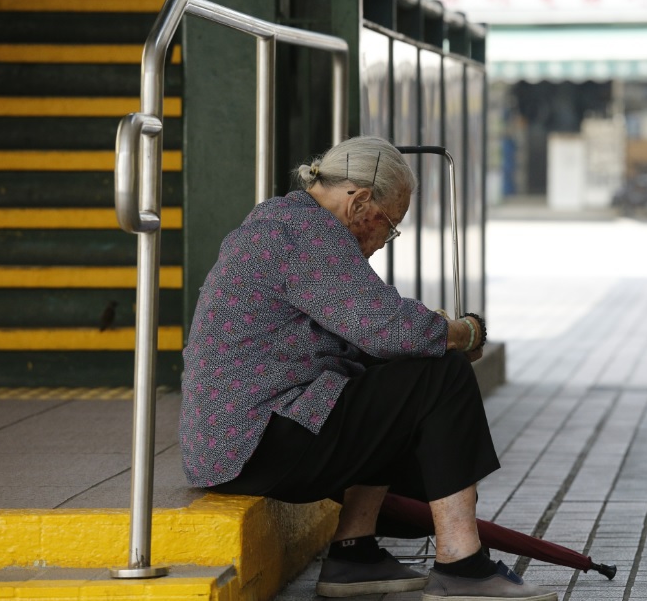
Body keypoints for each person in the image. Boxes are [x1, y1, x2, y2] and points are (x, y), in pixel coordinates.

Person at [179, 135, 557, 601]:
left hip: (249, 438)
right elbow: (390, 330)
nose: (383, 242)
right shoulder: (306, 235)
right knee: (442, 375)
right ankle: (461, 563)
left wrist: (424, 334)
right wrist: (464, 332)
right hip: (257, 442)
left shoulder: (287, 224)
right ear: (359, 200)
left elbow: (378, 333)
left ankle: (353, 553)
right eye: (389, 225)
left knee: (397, 375)